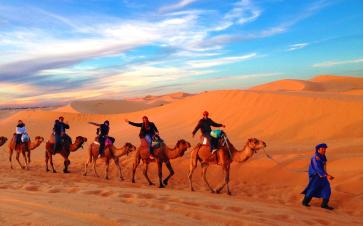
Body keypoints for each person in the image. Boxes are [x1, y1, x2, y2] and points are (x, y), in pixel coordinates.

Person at [302, 143, 334, 210]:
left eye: (325, 149)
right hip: (316, 176)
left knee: (327, 189)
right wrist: (326, 175)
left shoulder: (323, 157)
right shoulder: (316, 157)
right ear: (318, 150)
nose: (324, 150)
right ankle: (305, 202)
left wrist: (326, 174)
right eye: (322, 149)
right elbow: (317, 168)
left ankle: (324, 204)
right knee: (312, 189)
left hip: (323, 176)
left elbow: (324, 168)